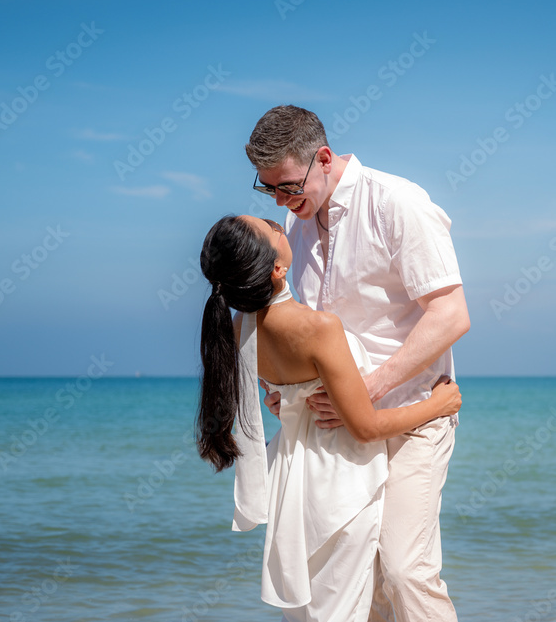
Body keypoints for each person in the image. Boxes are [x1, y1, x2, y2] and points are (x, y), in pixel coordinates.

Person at [247, 105, 470, 622]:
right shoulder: (295, 222)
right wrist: (291, 389)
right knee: (355, 577)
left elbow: (451, 314)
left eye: (287, 186)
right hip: (337, 431)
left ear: (323, 158)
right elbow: (316, 330)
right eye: (269, 190)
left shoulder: (397, 203)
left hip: (416, 413)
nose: (281, 201)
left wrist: (366, 389)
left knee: (404, 568)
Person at [195, 214, 462, 622]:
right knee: (347, 608)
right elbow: (366, 427)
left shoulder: (238, 328)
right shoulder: (317, 328)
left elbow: (280, 394)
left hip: (294, 478)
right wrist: (437, 406)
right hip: (341, 480)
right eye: (271, 228)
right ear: (277, 269)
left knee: (321, 608)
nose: (278, 223)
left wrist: (288, 401)